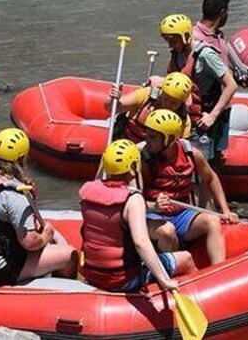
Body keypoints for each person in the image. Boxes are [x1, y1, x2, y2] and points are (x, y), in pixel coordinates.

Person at [0, 128, 77, 285]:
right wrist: (45, 237)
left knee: (56, 236)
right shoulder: (14, 194)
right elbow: (30, 242)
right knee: (69, 254)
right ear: (21, 158)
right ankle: (62, 292)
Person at [80, 139, 195, 291]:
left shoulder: (86, 190)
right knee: (186, 258)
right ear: (134, 166)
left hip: (92, 274)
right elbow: (141, 243)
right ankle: (198, 296)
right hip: (122, 280)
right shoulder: (132, 199)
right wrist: (164, 280)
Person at [140, 109, 238, 264]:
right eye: (147, 135)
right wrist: (154, 206)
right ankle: (176, 271)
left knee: (212, 221)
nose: (147, 140)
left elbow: (211, 178)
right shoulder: (143, 159)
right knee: (167, 231)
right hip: (151, 217)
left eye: (152, 137)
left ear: (169, 139)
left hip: (180, 215)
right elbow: (131, 199)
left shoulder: (191, 154)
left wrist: (225, 211)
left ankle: (219, 271)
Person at [160, 14, 238, 160]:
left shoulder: (206, 55)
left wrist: (212, 116)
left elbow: (231, 85)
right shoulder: (176, 54)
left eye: (173, 40)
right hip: (187, 117)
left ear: (185, 36)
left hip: (205, 117)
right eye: (167, 41)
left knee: (203, 163)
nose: (170, 45)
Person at [108, 72, 193, 142]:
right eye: (166, 99)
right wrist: (114, 100)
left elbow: (180, 148)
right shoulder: (146, 95)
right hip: (127, 146)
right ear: (161, 92)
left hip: (152, 158)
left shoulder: (184, 120)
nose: (168, 105)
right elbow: (113, 108)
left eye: (174, 103)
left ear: (182, 103)